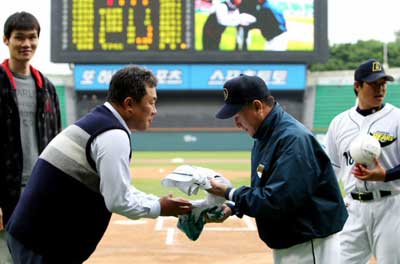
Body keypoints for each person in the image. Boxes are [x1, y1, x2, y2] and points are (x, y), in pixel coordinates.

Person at [6, 65, 192, 263]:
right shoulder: (113, 134)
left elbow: (118, 188)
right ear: (129, 104)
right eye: (151, 103)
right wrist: (159, 207)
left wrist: (155, 200)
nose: (154, 111)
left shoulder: (100, 122)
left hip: (32, 236)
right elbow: (117, 200)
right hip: (41, 245)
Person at [207, 74, 348, 263]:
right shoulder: (265, 136)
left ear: (258, 106)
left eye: (238, 113)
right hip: (293, 242)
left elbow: (278, 201)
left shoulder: (293, 139)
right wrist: (233, 207)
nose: (236, 121)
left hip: (310, 244)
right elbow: (266, 188)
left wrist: (230, 193)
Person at [0, 11, 61, 263]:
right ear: (6, 40)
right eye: (19, 38)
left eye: (32, 38)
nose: (26, 44)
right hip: (6, 191)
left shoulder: (47, 88)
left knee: (38, 257)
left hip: (40, 188)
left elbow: (58, 143)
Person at [325, 59, 400, 263]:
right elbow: (331, 170)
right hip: (353, 209)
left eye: (383, 83)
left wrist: (386, 175)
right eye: (374, 84)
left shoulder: (397, 118)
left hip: (391, 206)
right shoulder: (339, 123)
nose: (381, 88)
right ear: (357, 86)